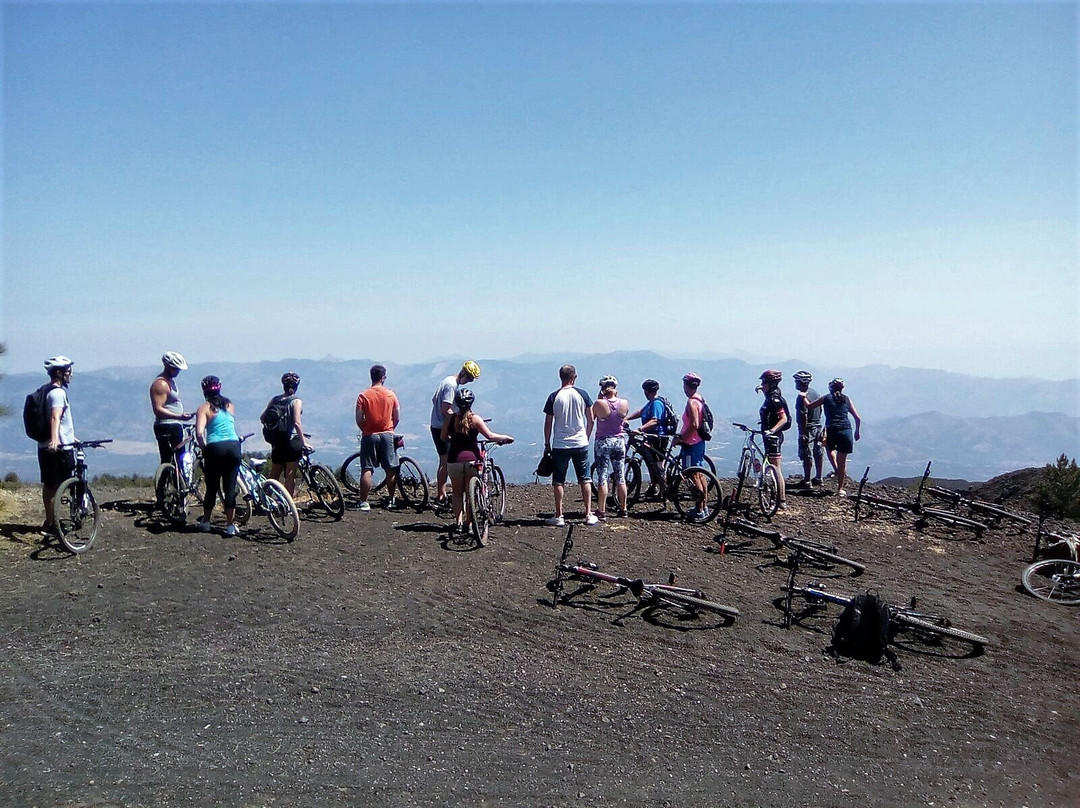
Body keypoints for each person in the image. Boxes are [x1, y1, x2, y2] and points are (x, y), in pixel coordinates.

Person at [440, 386, 513, 534]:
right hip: (472, 460)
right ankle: (469, 523)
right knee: (470, 493)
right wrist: (505, 437)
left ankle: (458, 522)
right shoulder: (475, 419)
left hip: (454, 460)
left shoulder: (450, 418)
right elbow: (490, 436)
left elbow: (443, 437)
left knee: (457, 493)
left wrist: (454, 441)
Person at [542, 364, 596, 527]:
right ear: (574, 377)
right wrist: (586, 436)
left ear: (561, 377)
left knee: (558, 480)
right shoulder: (583, 394)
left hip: (560, 444)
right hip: (580, 442)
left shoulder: (553, 397)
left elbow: (548, 423)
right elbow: (591, 419)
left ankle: (559, 515)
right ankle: (588, 514)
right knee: (585, 478)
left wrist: (547, 443)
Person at [429, 360, 481, 506]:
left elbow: (434, 400)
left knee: (444, 460)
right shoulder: (452, 385)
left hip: (436, 423)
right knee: (445, 460)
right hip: (441, 426)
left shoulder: (448, 380)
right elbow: (446, 410)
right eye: (469, 378)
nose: (469, 381)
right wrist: (458, 420)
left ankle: (443, 493)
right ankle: (441, 495)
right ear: (463, 372)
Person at [195, 376, 241, 536]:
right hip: (234, 446)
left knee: (212, 487)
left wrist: (204, 449)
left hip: (215, 447)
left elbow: (199, 433)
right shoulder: (229, 405)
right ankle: (230, 525)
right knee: (230, 487)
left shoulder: (204, 408)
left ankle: (206, 522)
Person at [37, 356, 77, 535]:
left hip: (44, 445)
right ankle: (54, 525)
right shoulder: (58, 393)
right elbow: (56, 417)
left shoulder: (46, 390)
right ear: (59, 372)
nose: (71, 374)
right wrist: (56, 439)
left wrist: (71, 436)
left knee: (49, 485)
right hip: (59, 448)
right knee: (59, 485)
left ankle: (50, 522)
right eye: (68, 371)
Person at [354, 364, 401, 512]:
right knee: (390, 468)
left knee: (367, 468)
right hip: (387, 434)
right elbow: (397, 416)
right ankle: (391, 499)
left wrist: (366, 429)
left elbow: (359, 418)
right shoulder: (391, 395)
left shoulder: (363, 396)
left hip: (370, 435)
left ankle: (364, 502)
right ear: (383, 377)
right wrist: (390, 429)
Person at [806, 378, 863, 497]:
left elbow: (810, 406)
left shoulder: (826, 398)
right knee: (843, 462)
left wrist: (803, 397)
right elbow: (857, 418)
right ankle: (840, 488)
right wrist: (857, 432)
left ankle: (836, 469)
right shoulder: (846, 399)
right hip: (846, 430)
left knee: (830, 450)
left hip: (832, 429)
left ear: (830, 388)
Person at [261, 372, 310, 496]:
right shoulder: (296, 401)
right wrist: (304, 442)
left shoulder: (275, 399)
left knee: (274, 474)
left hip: (277, 442)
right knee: (290, 475)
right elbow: (297, 423)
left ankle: (265, 500)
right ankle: (288, 505)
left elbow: (262, 418)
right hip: (290, 441)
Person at [592, 376, 629, 519]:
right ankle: (623, 508)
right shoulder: (624, 403)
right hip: (619, 442)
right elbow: (623, 418)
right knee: (620, 476)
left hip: (603, 442)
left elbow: (591, 417)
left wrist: (600, 398)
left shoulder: (599, 403)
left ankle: (601, 510)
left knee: (603, 476)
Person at [674, 372, 710, 521]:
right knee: (699, 474)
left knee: (692, 474)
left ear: (686, 386)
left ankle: (699, 509)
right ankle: (704, 506)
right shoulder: (700, 399)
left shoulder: (691, 402)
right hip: (699, 442)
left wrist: (681, 437)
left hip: (691, 442)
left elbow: (694, 424)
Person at [627, 379, 671, 496]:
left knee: (657, 464)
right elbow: (640, 412)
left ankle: (663, 489)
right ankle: (654, 486)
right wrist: (627, 419)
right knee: (650, 462)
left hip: (658, 437)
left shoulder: (656, 403)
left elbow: (654, 421)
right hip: (651, 436)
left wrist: (640, 429)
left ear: (646, 391)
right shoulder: (651, 402)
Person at [149, 351, 194, 465]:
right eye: (175, 369)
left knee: (178, 458)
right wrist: (179, 416)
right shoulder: (161, 384)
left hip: (174, 424)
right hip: (168, 425)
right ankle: (167, 480)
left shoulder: (170, 382)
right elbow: (158, 409)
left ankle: (176, 479)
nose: (177, 372)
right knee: (171, 459)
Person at [757, 369, 790, 510]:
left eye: (764, 382)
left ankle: (781, 500)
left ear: (771, 384)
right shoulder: (769, 397)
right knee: (771, 467)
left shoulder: (775, 399)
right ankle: (776, 498)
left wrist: (771, 430)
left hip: (773, 438)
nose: (762, 384)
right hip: (769, 436)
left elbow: (784, 419)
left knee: (776, 469)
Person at [792, 370, 825, 488]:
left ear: (802, 382)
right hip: (818, 426)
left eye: (797, 381)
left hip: (808, 428)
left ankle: (807, 480)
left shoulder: (802, 397)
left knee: (807, 454)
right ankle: (819, 477)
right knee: (819, 452)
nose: (795, 383)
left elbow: (803, 415)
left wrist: (803, 432)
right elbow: (820, 409)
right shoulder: (815, 393)